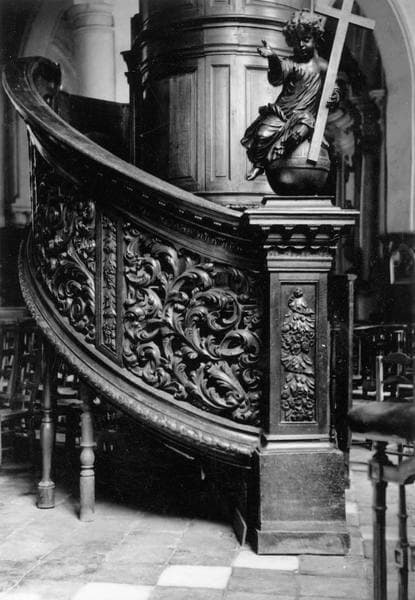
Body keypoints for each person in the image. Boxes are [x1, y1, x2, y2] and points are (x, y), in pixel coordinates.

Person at [241, 10, 339, 180]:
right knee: (261, 135)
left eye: (306, 39)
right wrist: (273, 58)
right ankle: (259, 164)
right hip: (283, 113)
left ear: (316, 38)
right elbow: (276, 78)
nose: (301, 44)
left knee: (298, 134)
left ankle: (279, 153)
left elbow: (334, 87)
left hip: (305, 116)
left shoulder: (323, 66)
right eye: (297, 41)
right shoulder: (291, 63)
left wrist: (335, 95)